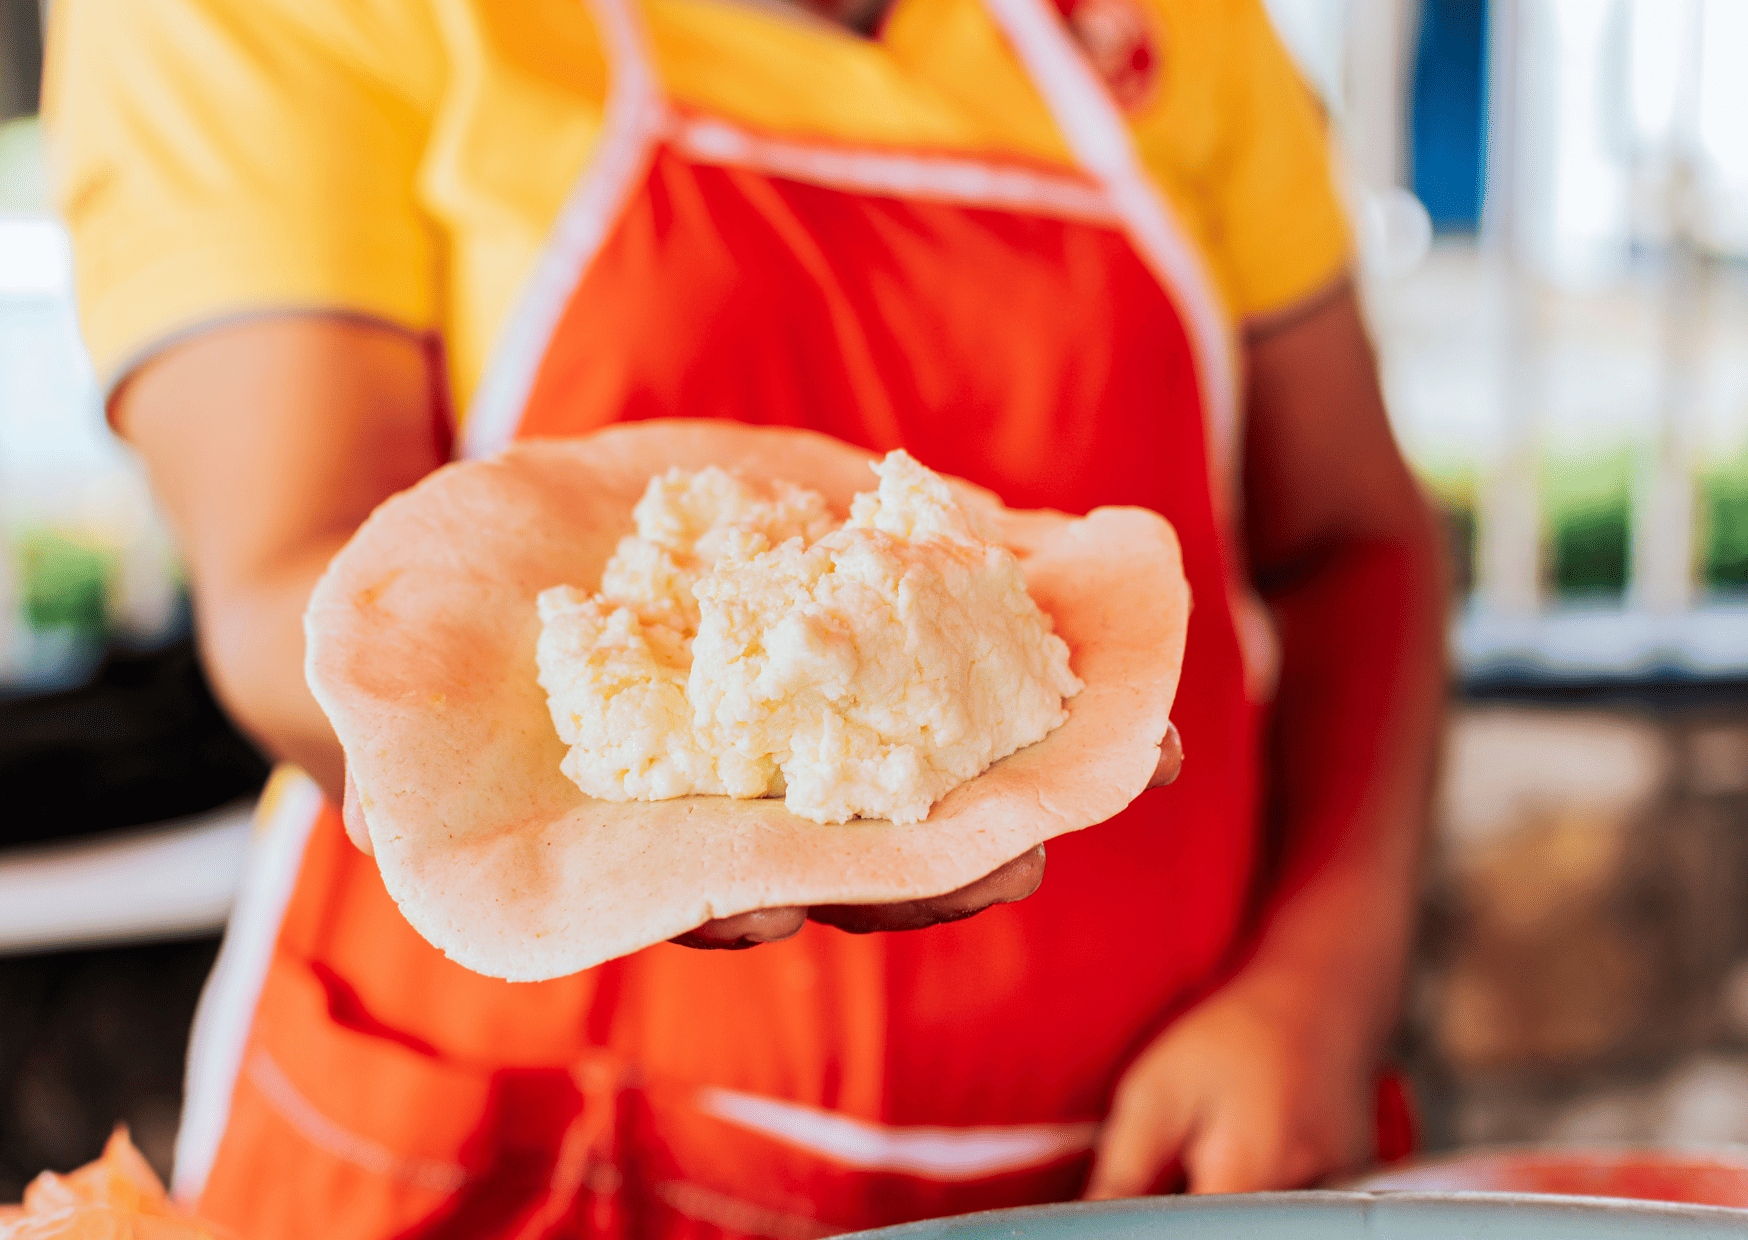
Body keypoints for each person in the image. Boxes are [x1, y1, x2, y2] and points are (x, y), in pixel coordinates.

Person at [43, 0, 1445, 1235]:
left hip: (1134, 1160)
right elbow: (293, 582)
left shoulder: (1176, 25)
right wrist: (649, 806)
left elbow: (1356, 539)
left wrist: (1319, 983)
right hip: (530, 1167)